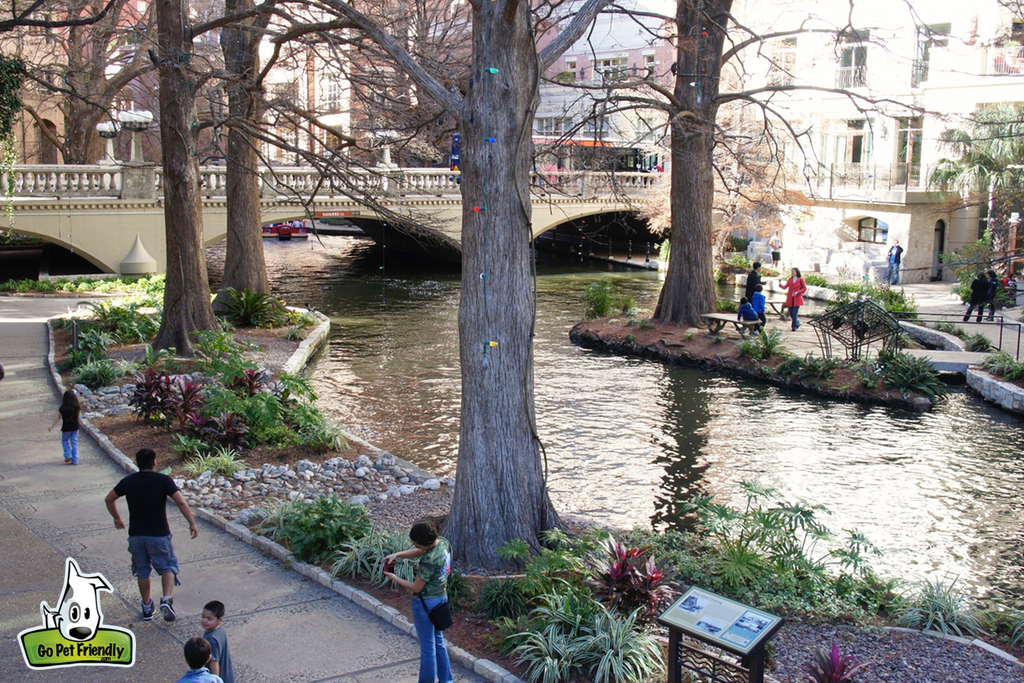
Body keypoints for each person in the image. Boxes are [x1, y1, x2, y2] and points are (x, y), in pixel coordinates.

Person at [104, 448, 199, 622]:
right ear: (155, 462)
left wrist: (117, 518)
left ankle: (147, 607)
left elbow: (109, 499)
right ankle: (166, 600)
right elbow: (180, 501)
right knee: (167, 567)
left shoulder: (128, 481)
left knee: (142, 571)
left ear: (137, 462)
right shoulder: (163, 480)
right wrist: (191, 523)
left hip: (136, 535)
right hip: (159, 534)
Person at [383, 523, 453, 683]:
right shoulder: (442, 543)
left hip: (425, 604)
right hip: (441, 598)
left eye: (416, 543)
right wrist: (397, 555)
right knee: (439, 642)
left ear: (423, 543)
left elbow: (416, 587)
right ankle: (446, 680)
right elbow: (419, 552)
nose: (415, 547)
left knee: (428, 647)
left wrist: (394, 578)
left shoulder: (429, 561)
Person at [200, 600, 233, 683]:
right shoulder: (219, 630)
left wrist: (215, 680)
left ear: (220, 619)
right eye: (203, 616)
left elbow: (214, 662)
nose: (205, 621)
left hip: (219, 677)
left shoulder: (212, 638)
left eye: (209, 619)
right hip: (227, 675)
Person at [48, 390, 81, 465]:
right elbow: (78, 417)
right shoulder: (76, 406)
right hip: (75, 427)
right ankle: (75, 459)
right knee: (74, 443)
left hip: (66, 428)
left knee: (65, 441)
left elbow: (58, 417)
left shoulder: (63, 408)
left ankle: (68, 455)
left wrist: (52, 427)